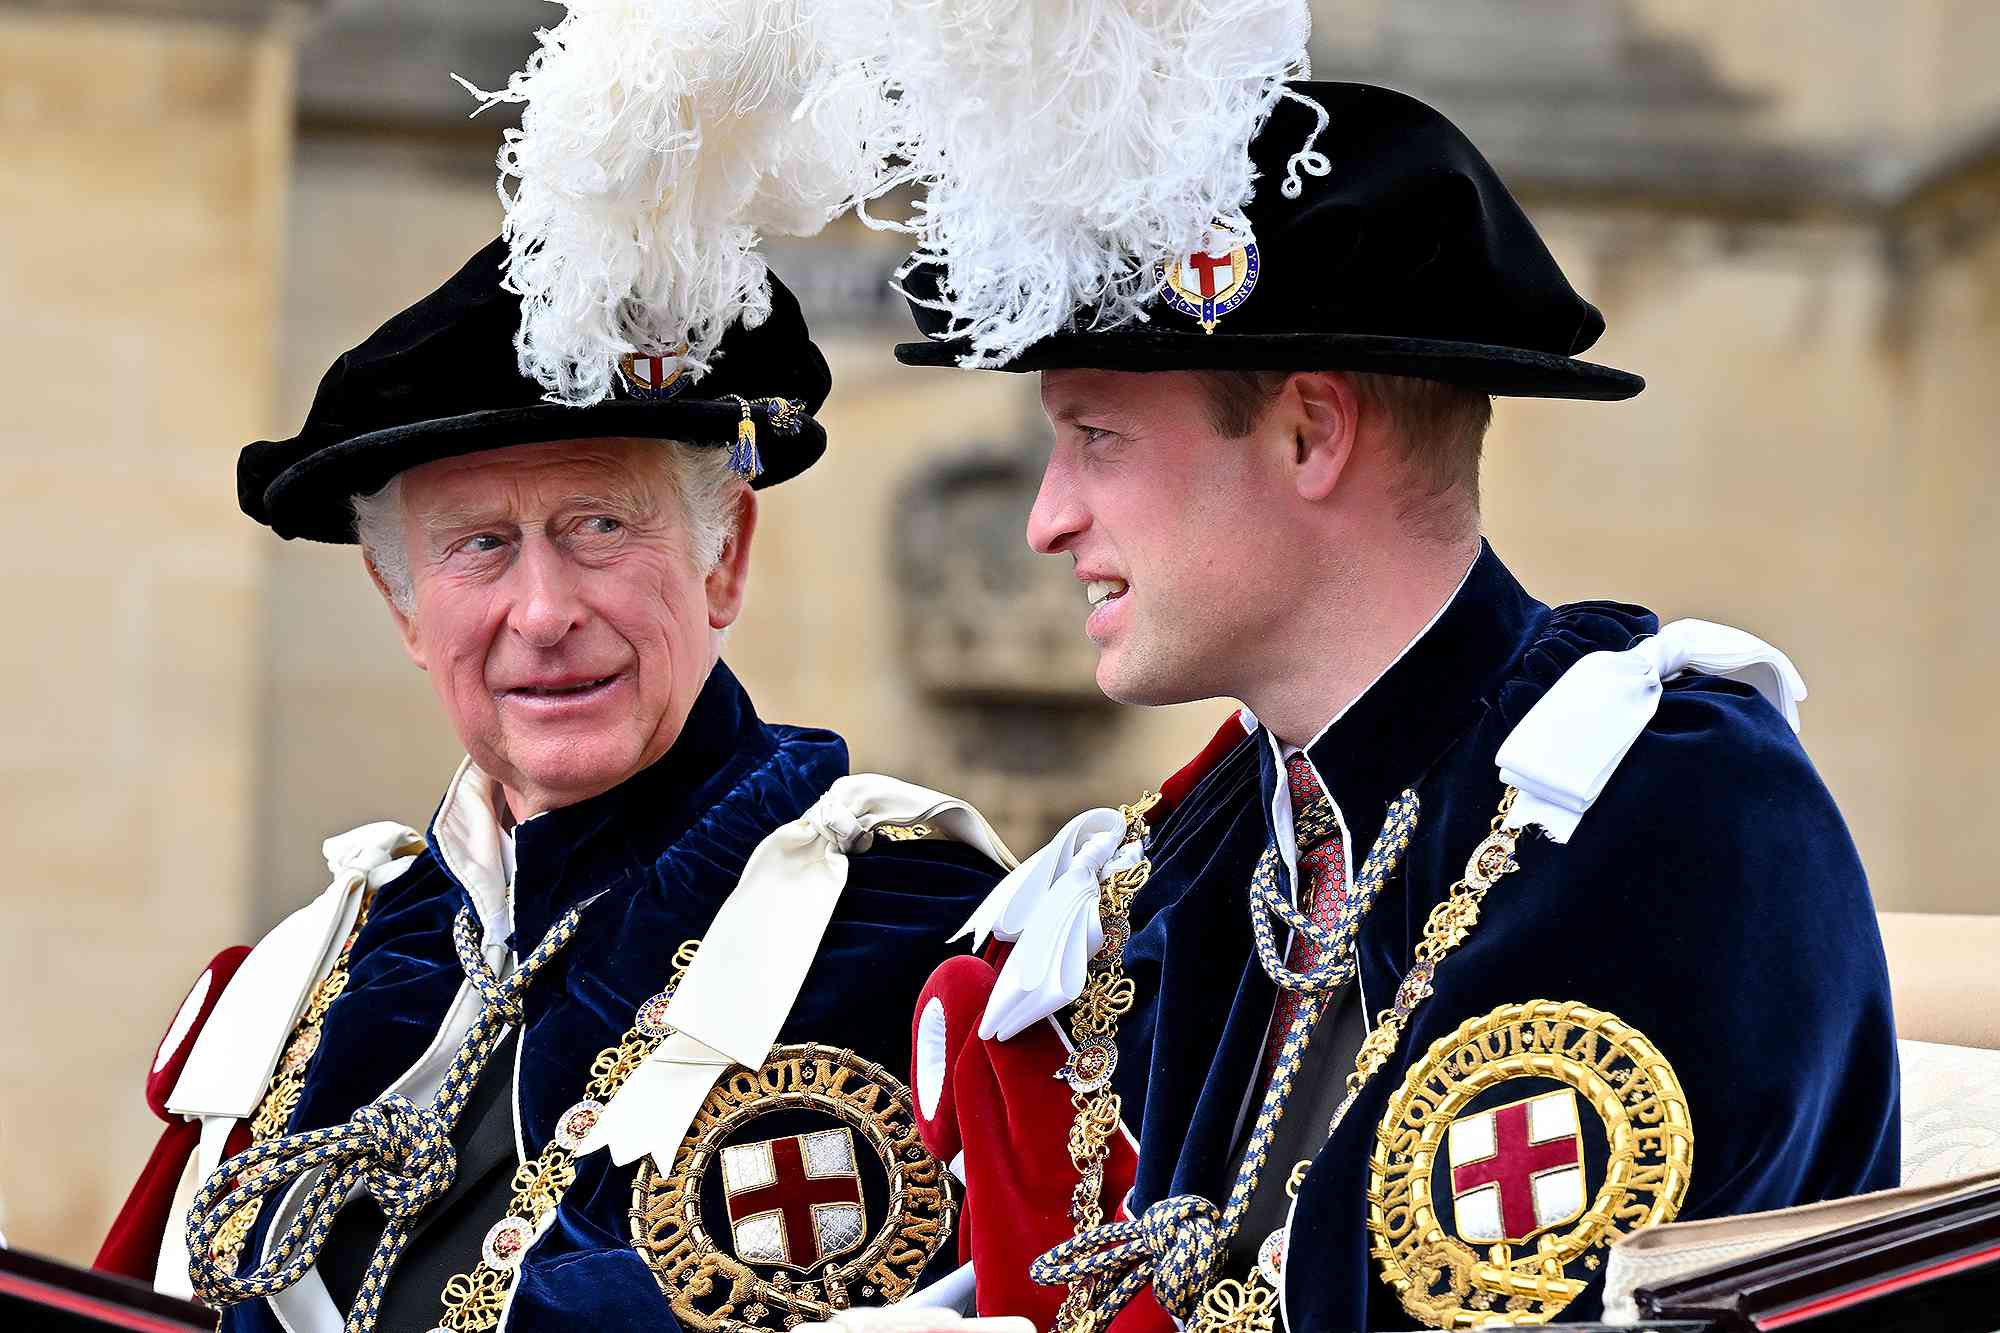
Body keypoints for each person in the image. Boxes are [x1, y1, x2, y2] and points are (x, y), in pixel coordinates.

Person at [888, 82, 1899, 1333]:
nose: (1046, 518)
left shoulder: (1662, 808)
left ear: (1309, 433)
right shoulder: (1206, 857)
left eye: (1096, 438)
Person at [92, 237, 1017, 1333]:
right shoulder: (315, 972)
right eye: (479, 545)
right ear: (403, 609)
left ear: (721, 559)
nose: (541, 612)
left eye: (597, 527)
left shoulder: (908, 936)